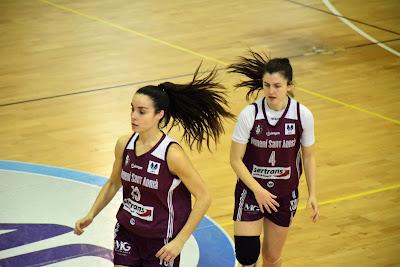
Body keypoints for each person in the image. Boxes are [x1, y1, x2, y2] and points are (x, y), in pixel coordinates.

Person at [74, 65, 234, 267]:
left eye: (142, 111)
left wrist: (180, 241)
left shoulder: (172, 154)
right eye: (132, 109)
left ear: (159, 114)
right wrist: (91, 214)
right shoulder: (124, 144)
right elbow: (113, 183)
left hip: (161, 239)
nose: (133, 116)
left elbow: (204, 197)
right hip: (128, 231)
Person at [228, 51, 319, 267]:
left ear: (289, 86)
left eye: (277, 85)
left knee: (271, 257)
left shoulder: (302, 114)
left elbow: (308, 156)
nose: (270, 91)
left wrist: (313, 193)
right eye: (266, 85)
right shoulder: (250, 114)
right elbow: (235, 160)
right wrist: (258, 191)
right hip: (251, 191)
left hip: (284, 194)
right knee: (247, 255)